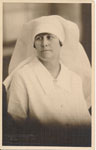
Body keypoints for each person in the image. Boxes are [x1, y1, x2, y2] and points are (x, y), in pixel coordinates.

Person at [3, 15, 91, 146]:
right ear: (34, 44)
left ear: (61, 42)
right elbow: (16, 124)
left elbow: (84, 123)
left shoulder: (74, 78)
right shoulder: (22, 77)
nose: (44, 43)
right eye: (39, 38)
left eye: (50, 37)